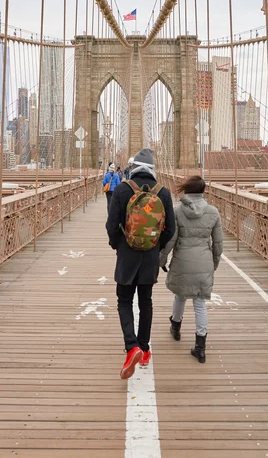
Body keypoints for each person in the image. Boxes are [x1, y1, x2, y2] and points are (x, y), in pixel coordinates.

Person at [106, 148, 175, 379]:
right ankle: (144, 350)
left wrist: (119, 245)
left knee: (124, 300)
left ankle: (131, 346)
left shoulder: (123, 189)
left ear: (133, 166)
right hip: (150, 257)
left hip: (127, 255)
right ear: (153, 168)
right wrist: (156, 247)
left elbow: (111, 225)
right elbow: (171, 230)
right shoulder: (163, 193)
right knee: (145, 301)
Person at [159, 175, 223, 364]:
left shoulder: (177, 211)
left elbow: (170, 240)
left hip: (182, 260)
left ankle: (176, 328)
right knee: (200, 303)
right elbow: (218, 244)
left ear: (186, 190)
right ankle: (200, 348)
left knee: (180, 295)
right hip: (204, 261)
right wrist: (214, 264)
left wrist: (161, 260)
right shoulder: (213, 212)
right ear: (204, 191)